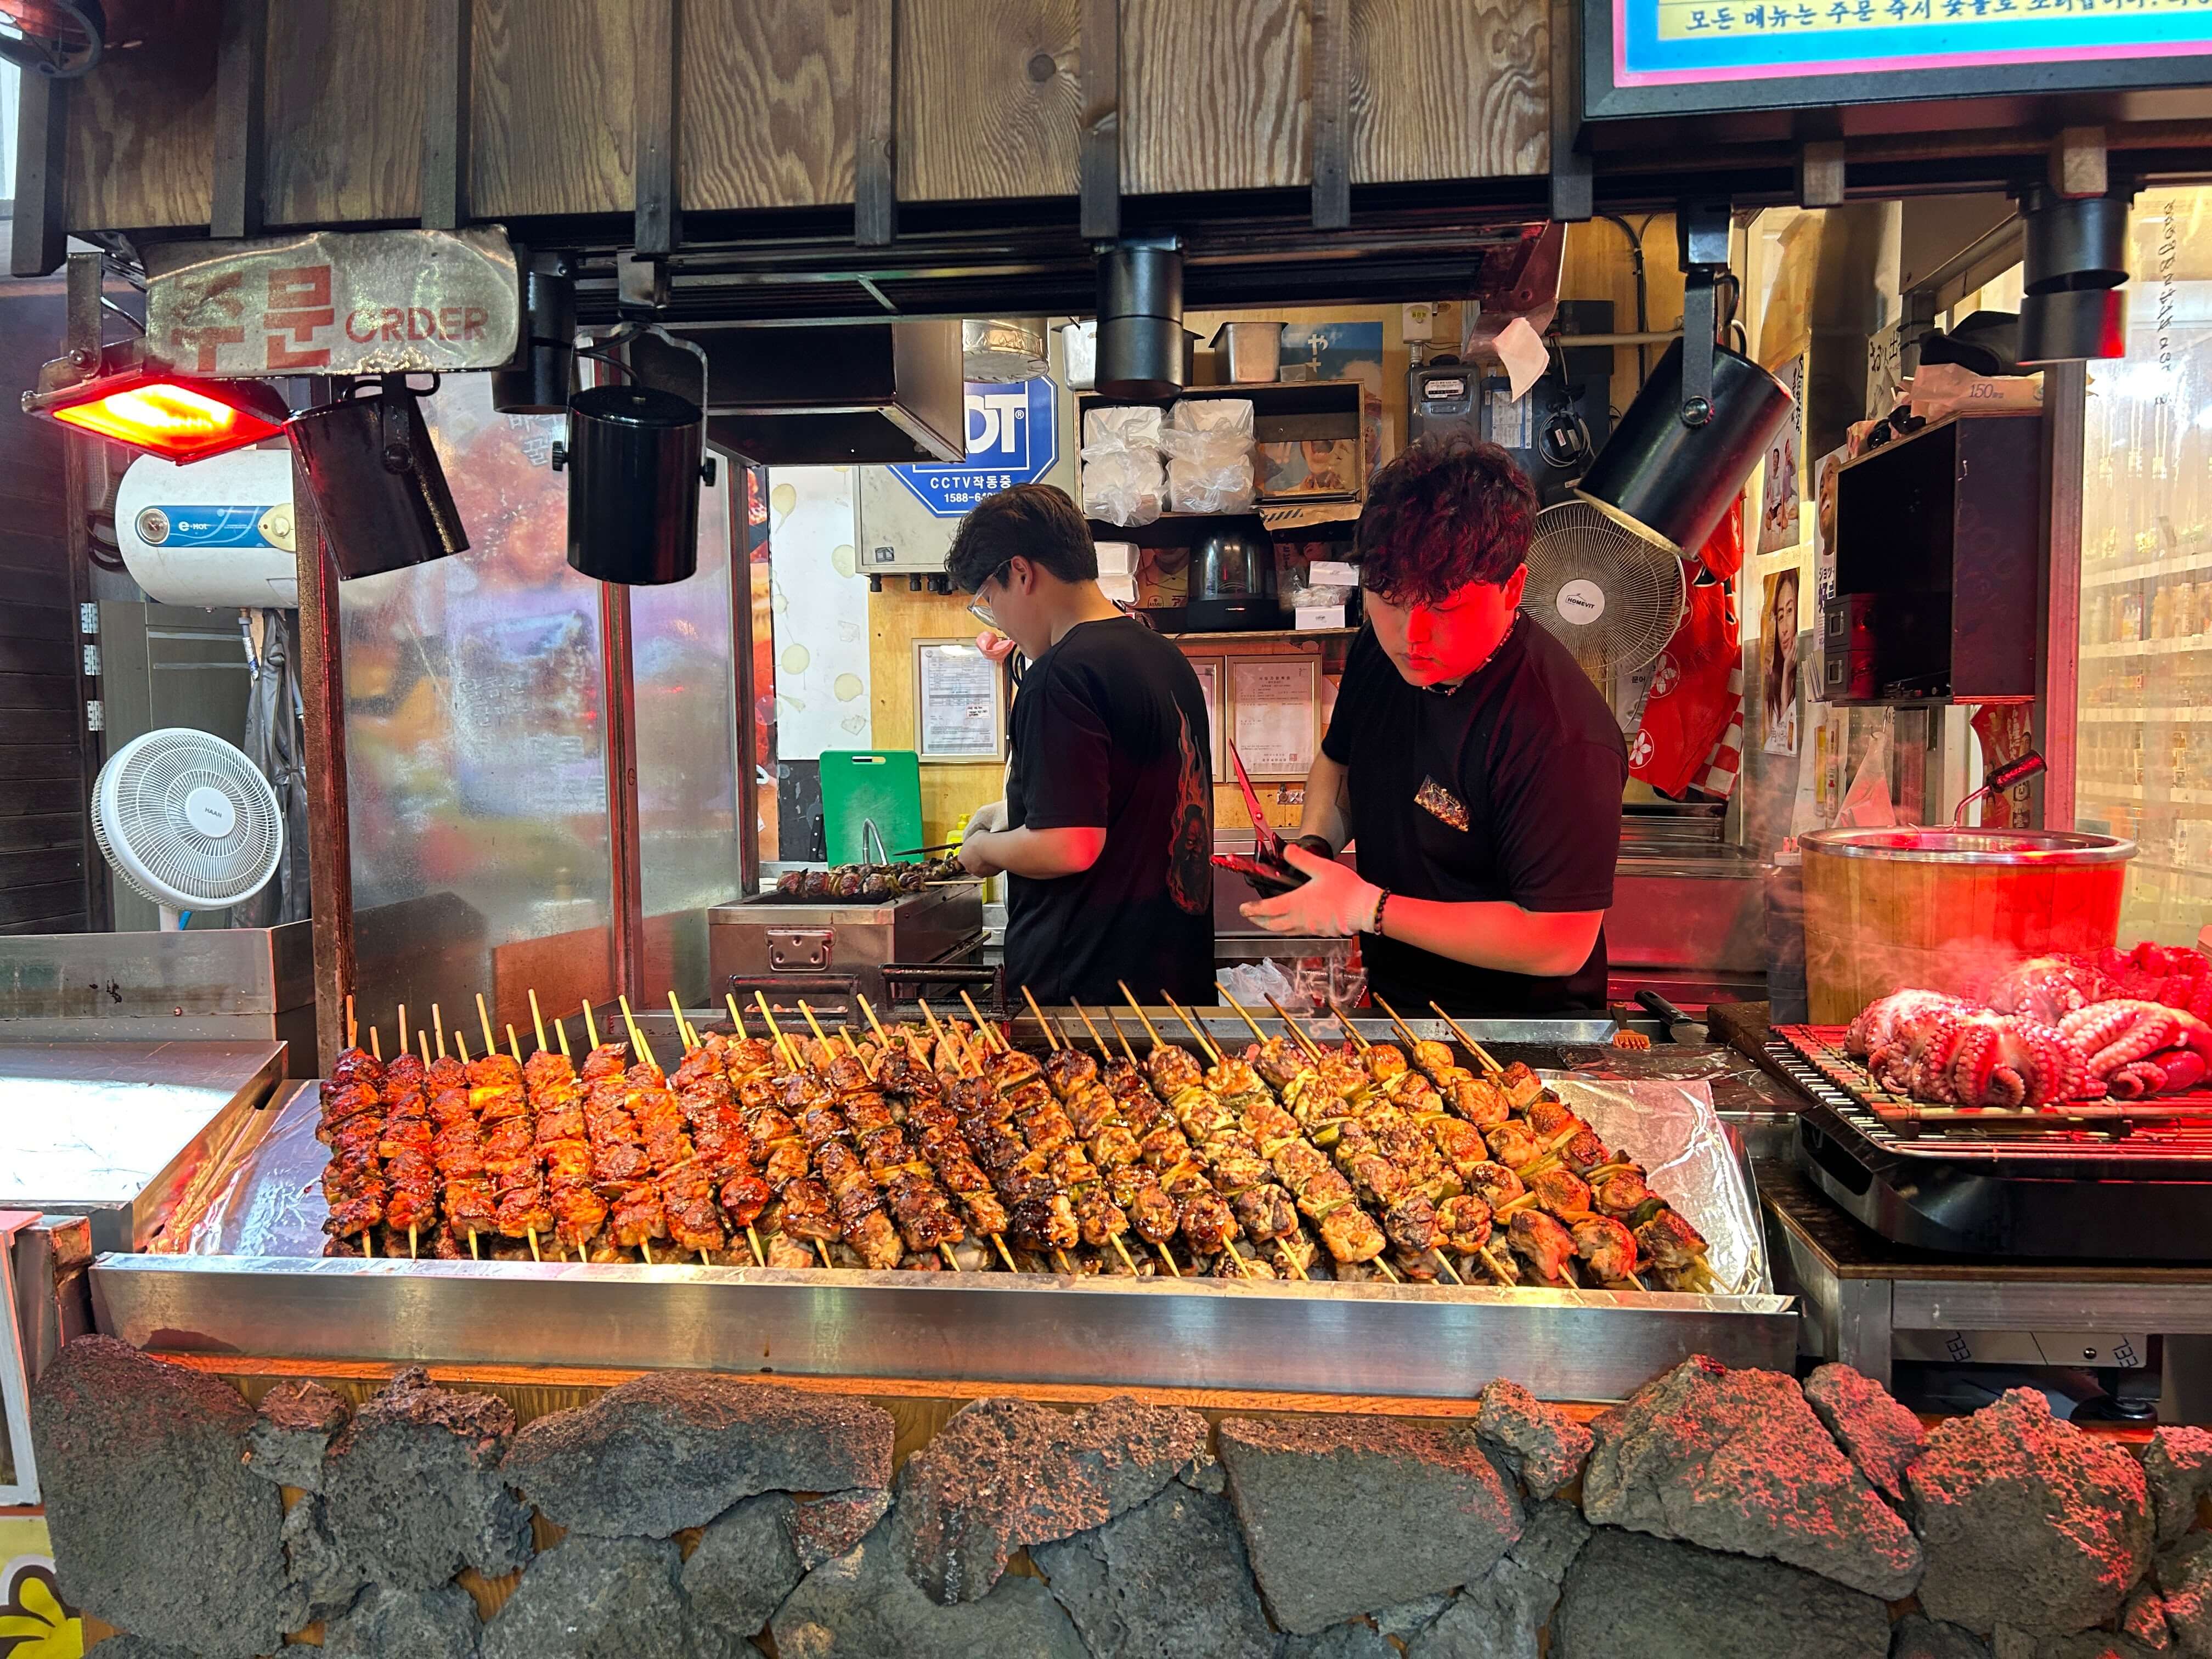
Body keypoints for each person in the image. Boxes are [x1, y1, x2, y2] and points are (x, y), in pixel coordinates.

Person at [1241, 436, 1628, 1015]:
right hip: (1401, 1008)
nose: (1412, 635)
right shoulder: (1380, 652)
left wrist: (1368, 908)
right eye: (1390, 599)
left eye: (1445, 608)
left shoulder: (1561, 732)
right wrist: (1315, 848)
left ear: (1513, 588)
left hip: (1522, 1031)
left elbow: (1558, 942)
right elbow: (1340, 760)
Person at [949, 484, 1215, 1006]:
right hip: (1172, 986)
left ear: (1021, 573)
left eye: (989, 600)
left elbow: (1069, 845)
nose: (999, 621)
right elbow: (1127, 801)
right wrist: (1017, 810)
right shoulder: (1163, 656)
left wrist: (983, 851)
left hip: (1085, 1002)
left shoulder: (1059, 676)